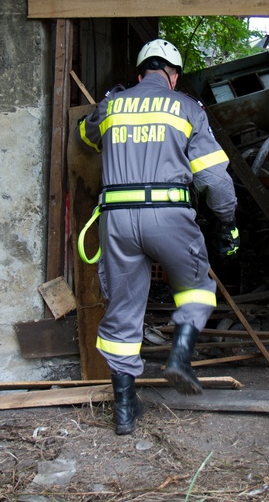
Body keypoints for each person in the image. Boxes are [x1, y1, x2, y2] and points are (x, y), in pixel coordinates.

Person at [79, 39, 239, 435]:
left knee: (122, 309)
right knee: (197, 289)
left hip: (116, 221)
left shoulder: (113, 104)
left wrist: (105, 105)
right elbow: (214, 178)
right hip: (169, 215)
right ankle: (180, 355)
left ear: (139, 74)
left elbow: (85, 137)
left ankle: (124, 410)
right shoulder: (187, 108)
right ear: (174, 76)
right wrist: (227, 222)